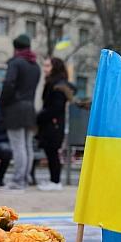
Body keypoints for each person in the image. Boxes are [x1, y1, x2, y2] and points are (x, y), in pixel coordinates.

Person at [0, 33, 40, 192]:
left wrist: (2, 102)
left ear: (15, 48)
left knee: (18, 146)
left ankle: (17, 181)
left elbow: (9, 84)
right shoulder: (35, 66)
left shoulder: (16, 63)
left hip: (15, 108)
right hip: (30, 108)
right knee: (27, 146)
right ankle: (25, 178)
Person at [37, 57, 75, 191]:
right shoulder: (56, 84)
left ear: (55, 68)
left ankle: (55, 181)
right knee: (51, 152)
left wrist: (40, 116)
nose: (45, 69)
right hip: (53, 123)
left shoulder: (57, 85)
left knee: (52, 152)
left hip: (53, 124)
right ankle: (54, 180)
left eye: (48, 66)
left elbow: (55, 107)